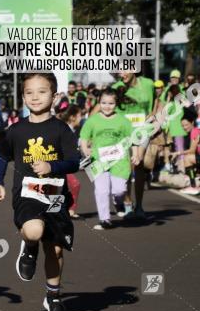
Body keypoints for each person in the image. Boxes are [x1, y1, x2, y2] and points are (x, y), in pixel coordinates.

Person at [0, 73, 81, 311]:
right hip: (27, 193)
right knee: (33, 231)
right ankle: (29, 247)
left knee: (55, 250)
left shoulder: (62, 129)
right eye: (29, 92)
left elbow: (74, 162)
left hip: (55, 196)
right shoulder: (16, 129)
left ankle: (53, 296)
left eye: (42, 92)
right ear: (23, 97)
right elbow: (1, 155)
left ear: (54, 96)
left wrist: (53, 167)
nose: (35, 97)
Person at [79, 89, 134, 230]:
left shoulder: (123, 120)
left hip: (120, 160)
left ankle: (118, 201)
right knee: (101, 190)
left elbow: (133, 138)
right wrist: (85, 149)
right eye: (103, 103)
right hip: (98, 160)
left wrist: (137, 154)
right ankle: (105, 219)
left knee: (119, 190)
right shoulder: (93, 120)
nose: (107, 106)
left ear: (116, 104)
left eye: (110, 103)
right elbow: (84, 136)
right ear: (99, 103)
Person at [112, 70, 156, 220]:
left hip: (142, 130)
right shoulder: (117, 87)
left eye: (124, 69)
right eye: (119, 70)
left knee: (139, 165)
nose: (120, 73)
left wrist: (154, 117)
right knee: (127, 168)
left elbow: (155, 102)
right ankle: (128, 204)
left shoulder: (148, 84)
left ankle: (139, 206)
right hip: (124, 132)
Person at [57, 104, 83, 219]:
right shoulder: (64, 129)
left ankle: (65, 211)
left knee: (62, 187)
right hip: (58, 164)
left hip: (63, 164)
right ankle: (63, 211)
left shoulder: (72, 130)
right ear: (72, 117)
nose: (81, 118)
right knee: (69, 185)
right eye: (80, 115)